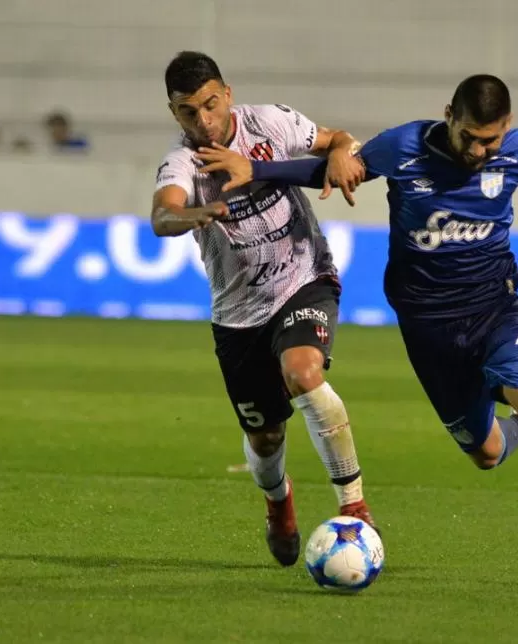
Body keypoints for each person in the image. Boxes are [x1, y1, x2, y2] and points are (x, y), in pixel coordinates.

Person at [197, 74, 518, 585]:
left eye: (490, 139)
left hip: (497, 308)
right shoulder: (403, 147)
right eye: (469, 135)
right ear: (449, 115)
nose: (479, 149)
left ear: (507, 127)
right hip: (428, 331)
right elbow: (330, 170)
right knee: (487, 453)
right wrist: (261, 168)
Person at [148, 51, 377, 568]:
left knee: (303, 371)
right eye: (189, 112)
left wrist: (342, 151)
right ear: (174, 113)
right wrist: (193, 213)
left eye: (210, 105)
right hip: (239, 314)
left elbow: (338, 139)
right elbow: (163, 214)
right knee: (265, 435)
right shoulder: (182, 163)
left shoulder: (269, 122)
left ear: (227, 93)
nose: (204, 121)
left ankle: (355, 507)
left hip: (304, 279)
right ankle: (279, 503)